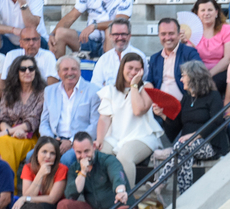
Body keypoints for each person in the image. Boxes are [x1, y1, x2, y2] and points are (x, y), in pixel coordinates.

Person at [156, 62, 230, 197]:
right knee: (183, 155)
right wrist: (162, 115)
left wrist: (195, 135)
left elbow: (217, 121)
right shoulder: (186, 98)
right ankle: (186, 195)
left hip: (211, 144)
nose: (181, 79)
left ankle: (161, 183)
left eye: (183, 76)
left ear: (194, 77)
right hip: (188, 146)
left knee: (181, 147)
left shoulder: (213, 96)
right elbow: (176, 126)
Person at [96, 52, 164, 188]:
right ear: (122, 68)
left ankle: (128, 200)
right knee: (100, 155)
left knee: (124, 157)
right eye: (130, 68)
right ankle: (106, 197)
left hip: (142, 135)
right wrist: (99, 139)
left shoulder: (147, 87)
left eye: (137, 69)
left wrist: (134, 86)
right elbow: (104, 118)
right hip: (116, 136)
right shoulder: (110, 90)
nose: (133, 72)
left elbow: (138, 110)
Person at [49, 0, 134, 60]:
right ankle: (57, 71)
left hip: (111, 42)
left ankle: (110, 67)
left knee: (111, 29)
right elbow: (71, 16)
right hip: (87, 40)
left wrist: (95, 26)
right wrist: (53, 34)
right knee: (60, 32)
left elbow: (120, 22)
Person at [144, 18, 203, 142]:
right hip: (160, 109)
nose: (167, 37)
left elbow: (200, 75)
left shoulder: (189, 53)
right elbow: (149, 80)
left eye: (171, 33)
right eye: (163, 34)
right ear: (159, 35)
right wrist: (150, 89)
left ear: (178, 34)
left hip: (183, 107)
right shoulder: (155, 58)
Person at [40, 55, 100, 168]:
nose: (70, 72)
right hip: (55, 139)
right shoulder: (49, 91)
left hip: (80, 142)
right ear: (58, 73)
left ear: (80, 71)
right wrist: (51, 140)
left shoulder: (93, 91)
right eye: (65, 69)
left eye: (74, 69)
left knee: (65, 161)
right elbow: (44, 122)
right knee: (31, 157)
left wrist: (72, 142)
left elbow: (95, 125)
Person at [0, 55, 44, 174]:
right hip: (12, 133)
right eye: (23, 69)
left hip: (30, 136)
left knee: (1, 142)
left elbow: (33, 121)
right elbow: (2, 118)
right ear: (16, 72)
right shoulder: (8, 92)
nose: (27, 72)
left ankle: (7, 187)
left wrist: (6, 133)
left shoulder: (42, 93)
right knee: (1, 142)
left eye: (31, 68)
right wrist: (11, 132)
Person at [11, 136, 66, 209]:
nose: (48, 156)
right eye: (44, 152)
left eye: (52, 153)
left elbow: (52, 199)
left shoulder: (62, 169)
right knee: (25, 207)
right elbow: (27, 194)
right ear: (36, 153)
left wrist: (25, 199)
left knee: (43, 206)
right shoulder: (28, 168)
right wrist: (40, 174)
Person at [188, 0, 230, 95]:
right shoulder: (191, 32)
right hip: (199, 71)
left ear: (216, 12)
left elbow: (229, 58)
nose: (206, 13)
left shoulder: (227, 29)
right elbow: (189, 56)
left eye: (210, 10)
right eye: (202, 10)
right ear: (197, 13)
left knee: (210, 84)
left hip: (223, 70)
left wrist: (209, 74)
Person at [0, 27, 58, 96]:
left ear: (39, 42)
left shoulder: (48, 56)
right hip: (16, 96)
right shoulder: (11, 55)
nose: (31, 43)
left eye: (35, 39)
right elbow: (5, 82)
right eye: (27, 40)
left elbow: (52, 85)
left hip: (41, 96)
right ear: (21, 43)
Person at [89, 19, 145, 90]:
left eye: (123, 34)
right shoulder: (104, 59)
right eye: (116, 34)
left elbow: (143, 83)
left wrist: (107, 86)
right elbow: (95, 86)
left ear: (129, 36)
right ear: (110, 36)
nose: (120, 38)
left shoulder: (140, 56)